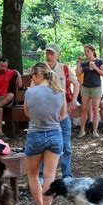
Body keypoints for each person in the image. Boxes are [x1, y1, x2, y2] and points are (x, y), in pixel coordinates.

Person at [24, 62, 66, 205]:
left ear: (38, 75)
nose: (31, 78)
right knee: (50, 175)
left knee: (33, 174)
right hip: (55, 135)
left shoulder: (30, 92)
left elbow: (28, 114)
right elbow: (62, 115)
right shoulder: (59, 92)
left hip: (35, 135)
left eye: (32, 75)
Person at [38, 43, 80, 181]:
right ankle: (42, 175)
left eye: (52, 53)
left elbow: (76, 84)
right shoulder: (40, 69)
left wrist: (74, 101)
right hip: (46, 115)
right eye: (47, 53)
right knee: (45, 144)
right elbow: (33, 89)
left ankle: (67, 174)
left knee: (66, 145)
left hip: (63, 114)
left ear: (58, 55)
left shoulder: (64, 69)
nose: (49, 56)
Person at [76, 44, 103, 138]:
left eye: (88, 51)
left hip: (96, 88)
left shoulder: (99, 62)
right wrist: (78, 63)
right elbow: (78, 74)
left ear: (92, 51)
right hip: (85, 88)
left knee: (95, 109)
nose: (86, 53)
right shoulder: (84, 63)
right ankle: (82, 130)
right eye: (85, 51)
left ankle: (95, 131)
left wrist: (95, 68)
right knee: (83, 109)